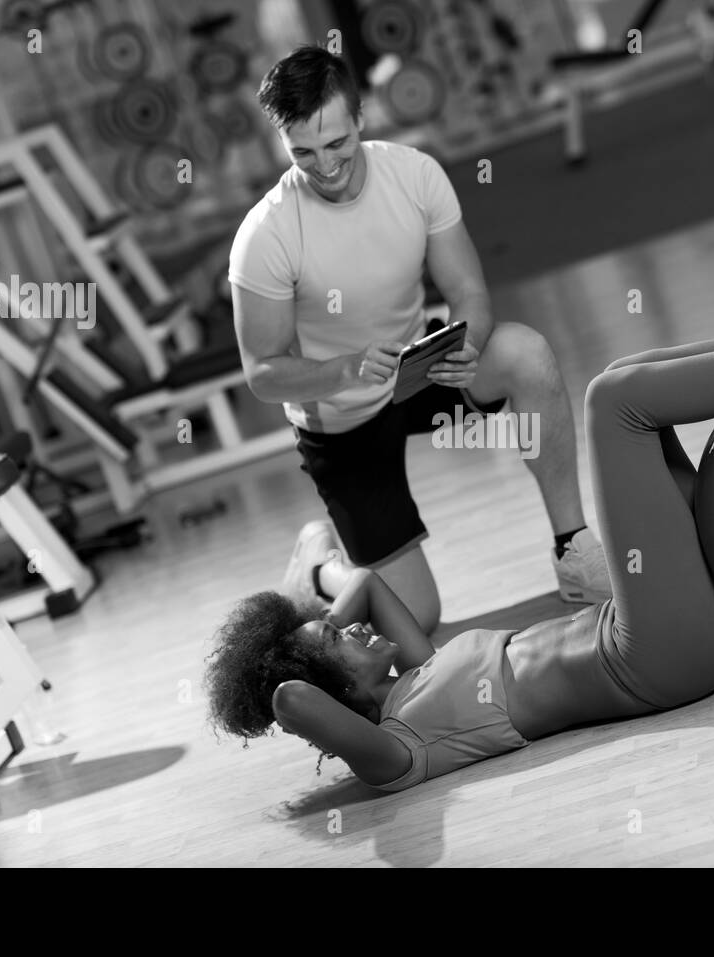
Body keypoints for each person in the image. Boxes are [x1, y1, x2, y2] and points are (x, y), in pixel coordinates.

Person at [206, 205, 714, 792]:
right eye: (338, 640)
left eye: (340, 626)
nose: (350, 626)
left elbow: (363, 583)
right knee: (615, 403)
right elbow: (290, 699)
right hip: (657, 657)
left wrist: (313, 605)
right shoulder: (399, 746)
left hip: (661, 627)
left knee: (627, 375)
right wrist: (295, 663)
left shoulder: (418, 667)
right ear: (335, 692)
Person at [228, 46, 613, 631]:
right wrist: (345, 370)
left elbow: (469, 296)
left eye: (337, 144)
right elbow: (262, 372)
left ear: (360, 118)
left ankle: (572, 549)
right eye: (303, 152)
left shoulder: (414, 174)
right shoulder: (266, 235)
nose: (325, 165)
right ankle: (317, 568)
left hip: (419, 368)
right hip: (340, 420)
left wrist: (471, 345)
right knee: (417, 619)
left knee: (525, 354)